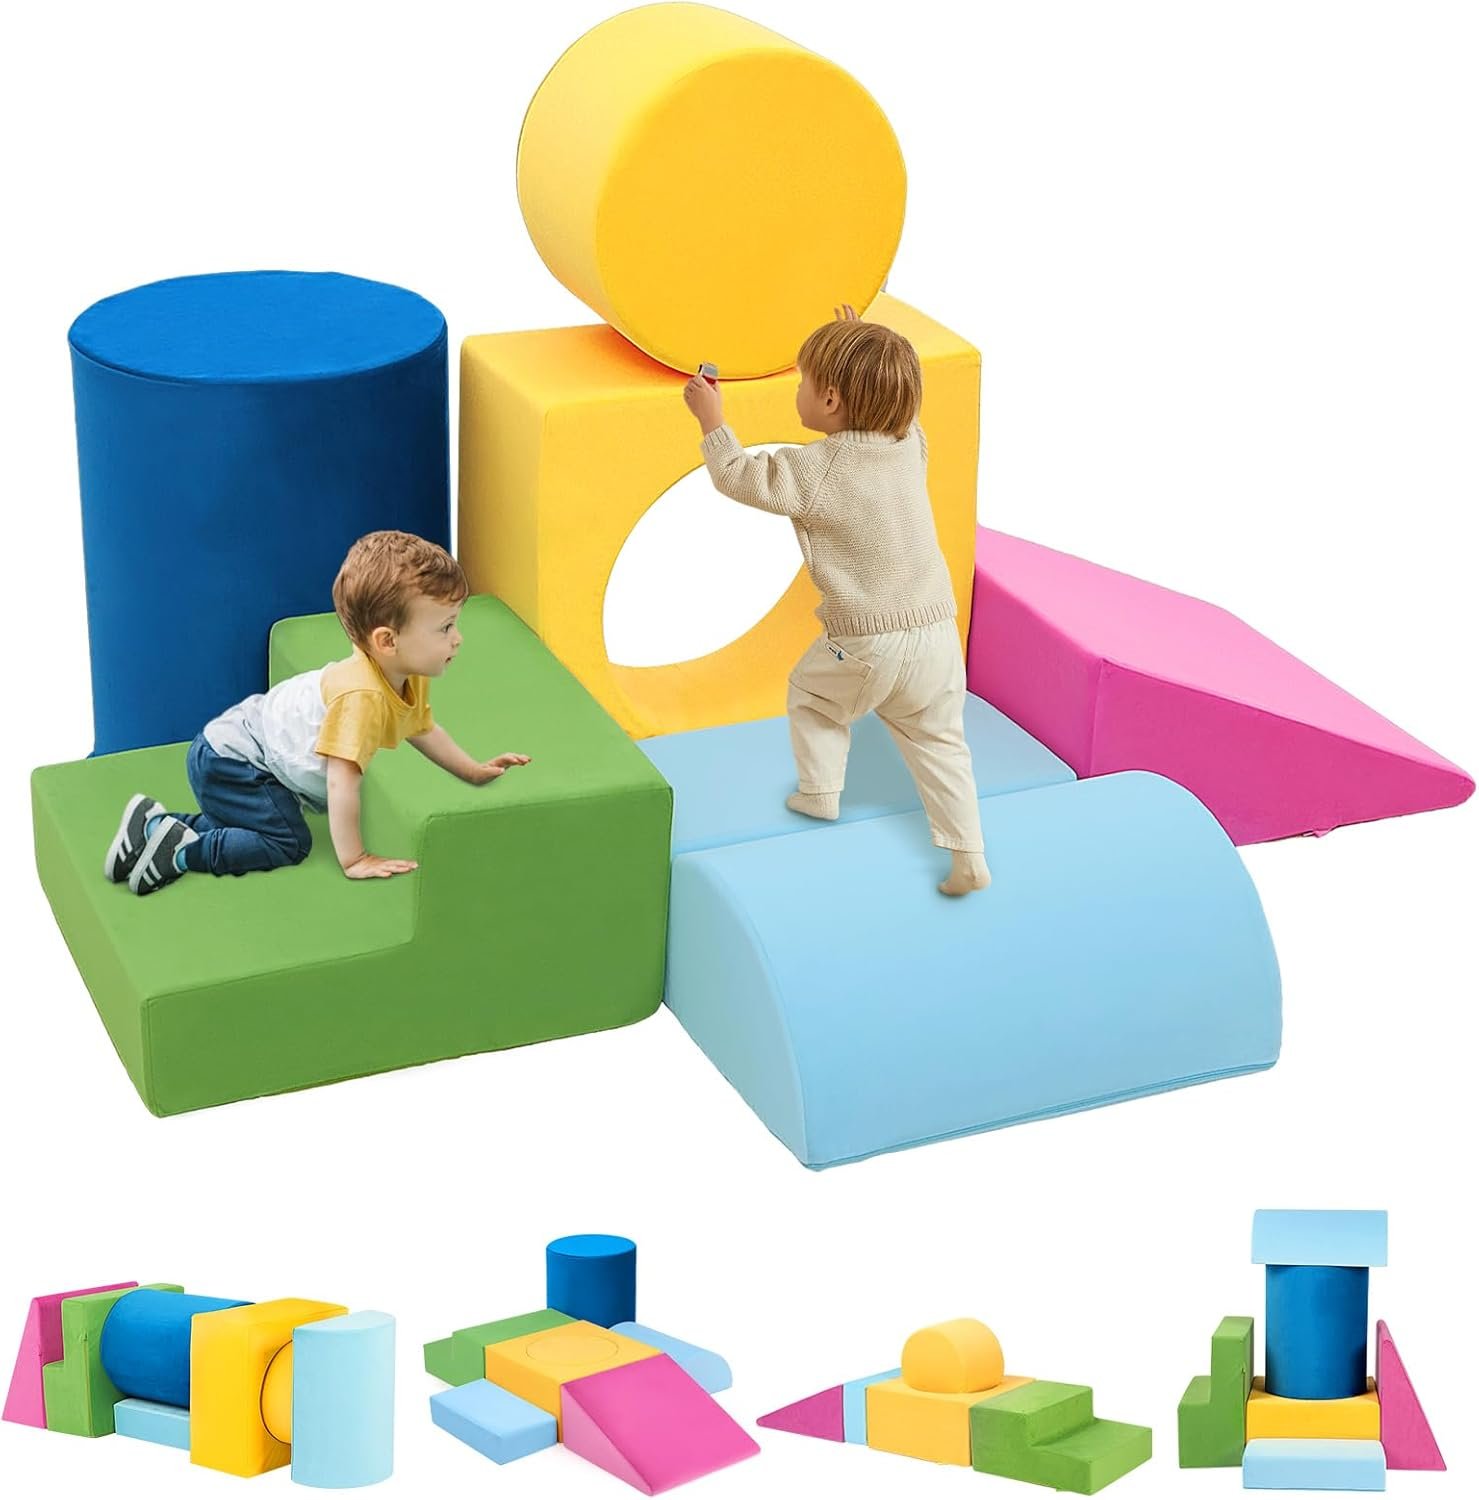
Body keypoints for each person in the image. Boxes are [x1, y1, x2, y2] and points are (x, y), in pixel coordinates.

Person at [683, 306, 989, 895]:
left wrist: (711, 419)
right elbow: (904, 409)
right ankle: (969, 856)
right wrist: (859, 342)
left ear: (829, 400)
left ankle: (820, 793)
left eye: (803, 382)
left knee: (814, 698)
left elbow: (738, 476)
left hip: (869, 640)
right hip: (938, 634)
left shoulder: (817, 467)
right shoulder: (909, 444)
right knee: (941, 744)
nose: (797, 390)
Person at [104, 530, 530, 894]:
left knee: (252, 824)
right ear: (387, 641)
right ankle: (182, 853)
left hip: (234, 748)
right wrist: (355, 858)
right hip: (236, 762)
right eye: (445, 627)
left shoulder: (404, 674)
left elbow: (422, 728)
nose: (457, 638)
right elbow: (341, 782)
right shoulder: (361, 699)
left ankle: (152, 826)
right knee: (286, 842)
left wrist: (473, 771)